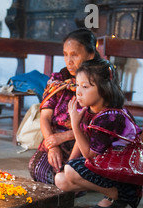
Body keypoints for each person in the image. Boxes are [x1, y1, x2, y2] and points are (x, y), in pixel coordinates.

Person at [54, 58, 143, 208]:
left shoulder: (111, 116)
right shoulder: (90, 109)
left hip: (123, 169)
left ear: (103, 89)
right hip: (106, 164)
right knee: (61, 179)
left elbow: (88, 153)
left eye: (85, 87)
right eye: (77, 85)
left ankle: (119, 193)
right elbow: (82, 140)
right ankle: (112, 193)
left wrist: (74, 124)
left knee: (71, 170)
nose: (78, 92)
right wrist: (68, 164)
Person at [28, 28, 100, 184]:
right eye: (65, 54)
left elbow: (98, 125)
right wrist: (52, 145)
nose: (69, 61)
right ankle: (69, 183)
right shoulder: (58, 80)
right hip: (55, 139)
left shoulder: (99, 83)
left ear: (91, 55)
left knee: (72, 172)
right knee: (38, 170)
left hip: (86, 142)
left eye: (74, 54)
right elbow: (45, 117)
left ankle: (76, 182)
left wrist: (64, 136)